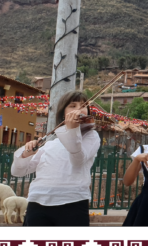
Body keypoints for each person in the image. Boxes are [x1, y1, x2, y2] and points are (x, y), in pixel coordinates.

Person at [11, 91, 98, 226]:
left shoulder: (90, 136)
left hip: (73, 201)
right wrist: (25, 155)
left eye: (83, 106)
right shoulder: (49, 144)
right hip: (38, 201)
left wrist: (73, 130)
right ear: (63, 113)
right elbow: (17, 172)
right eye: (73, 106)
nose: (78, 110)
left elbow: (78, 159)